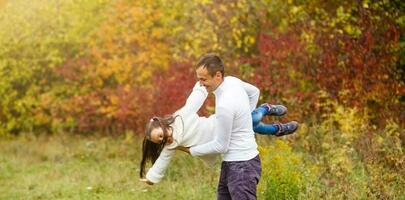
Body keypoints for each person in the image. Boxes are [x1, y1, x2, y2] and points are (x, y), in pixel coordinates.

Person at [140, 53, 298, 199]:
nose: (200, 84)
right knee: (253, 123)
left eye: (203, 79)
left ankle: (266, 110)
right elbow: (254, 91)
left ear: (217, 75)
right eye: (198, 79)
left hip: (241, 164)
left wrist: (189, 150)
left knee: (254, 119)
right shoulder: (232, 82)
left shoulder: (220, 107)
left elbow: (220, 145)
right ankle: (277, 129)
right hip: (230, 163)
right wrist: (151, 177)